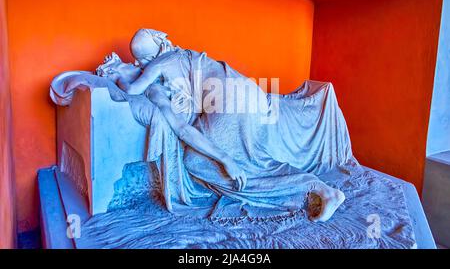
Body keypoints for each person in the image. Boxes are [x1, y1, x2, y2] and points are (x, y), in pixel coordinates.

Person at [96, 29, 352, 222]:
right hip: (245, 91)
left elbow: (136, 93)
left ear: (152, 56)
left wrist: (118, 74)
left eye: (142, 60)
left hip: (229, 102)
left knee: (205, 163)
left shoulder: (157, 72)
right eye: (138, 62)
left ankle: (315, 188)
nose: (141, 65)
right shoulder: (181, 58)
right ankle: (312, 188)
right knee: (254, 161)